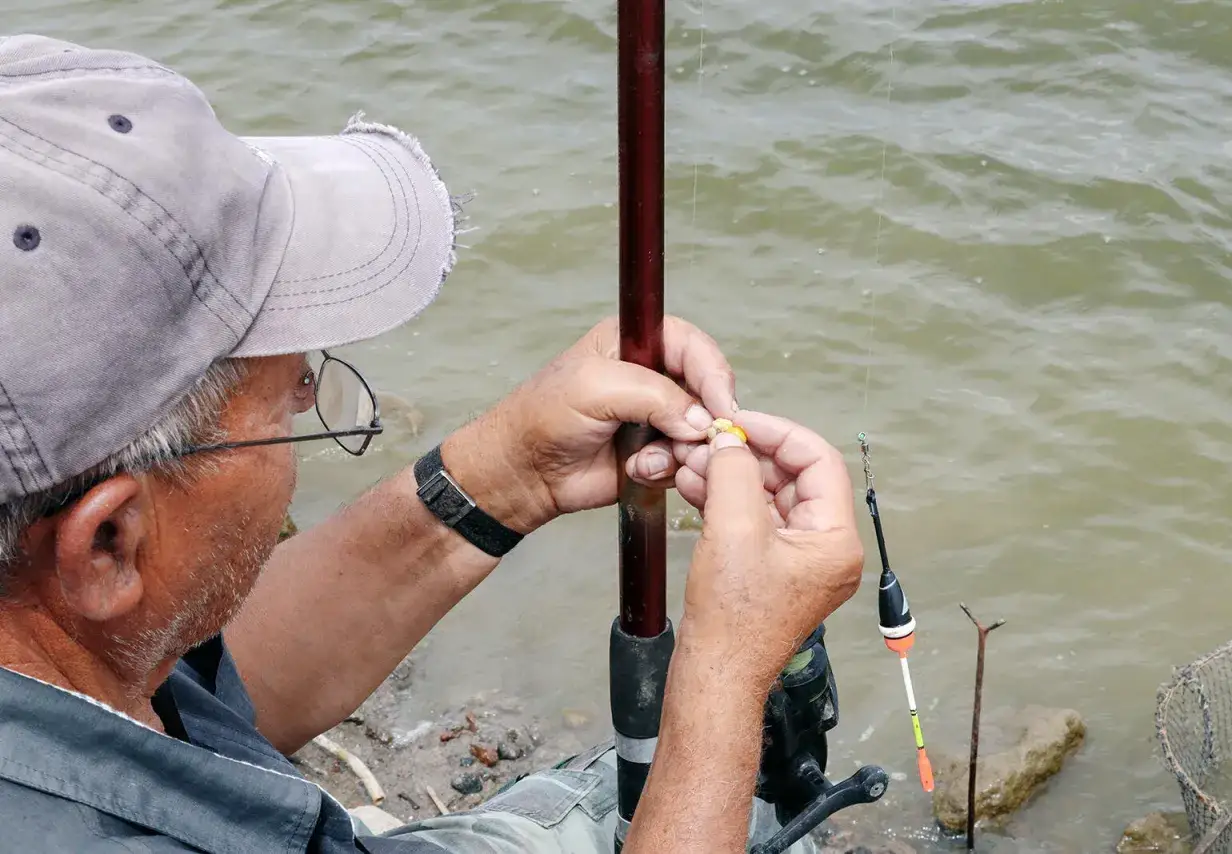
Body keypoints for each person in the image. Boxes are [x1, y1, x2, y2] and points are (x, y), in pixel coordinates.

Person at [0, 34, 865, 853]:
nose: (306, 401)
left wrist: (511, 474)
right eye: (294, 392)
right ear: (106, 543)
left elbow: (210, 686)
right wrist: (724, 676)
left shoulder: (66, 659)